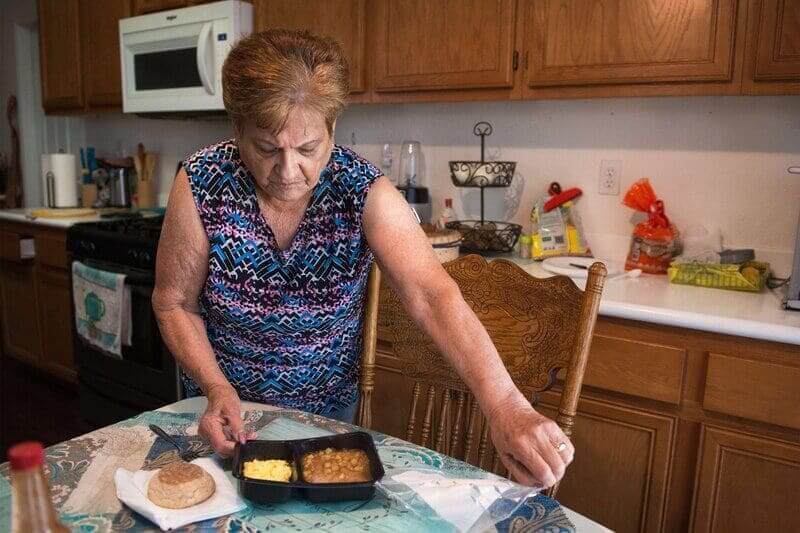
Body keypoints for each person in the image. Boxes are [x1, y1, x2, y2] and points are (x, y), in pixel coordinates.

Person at [152, 29, 574, 489]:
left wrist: (508, 407)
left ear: (332, 130)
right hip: (224, 419)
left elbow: (433, 295)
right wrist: (216, 387)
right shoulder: (202, 182)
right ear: (237, 131)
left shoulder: (362, 190)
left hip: (325, 422)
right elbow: (174, 303)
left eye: (308, 149)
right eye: (267, 148)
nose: (289, 171)